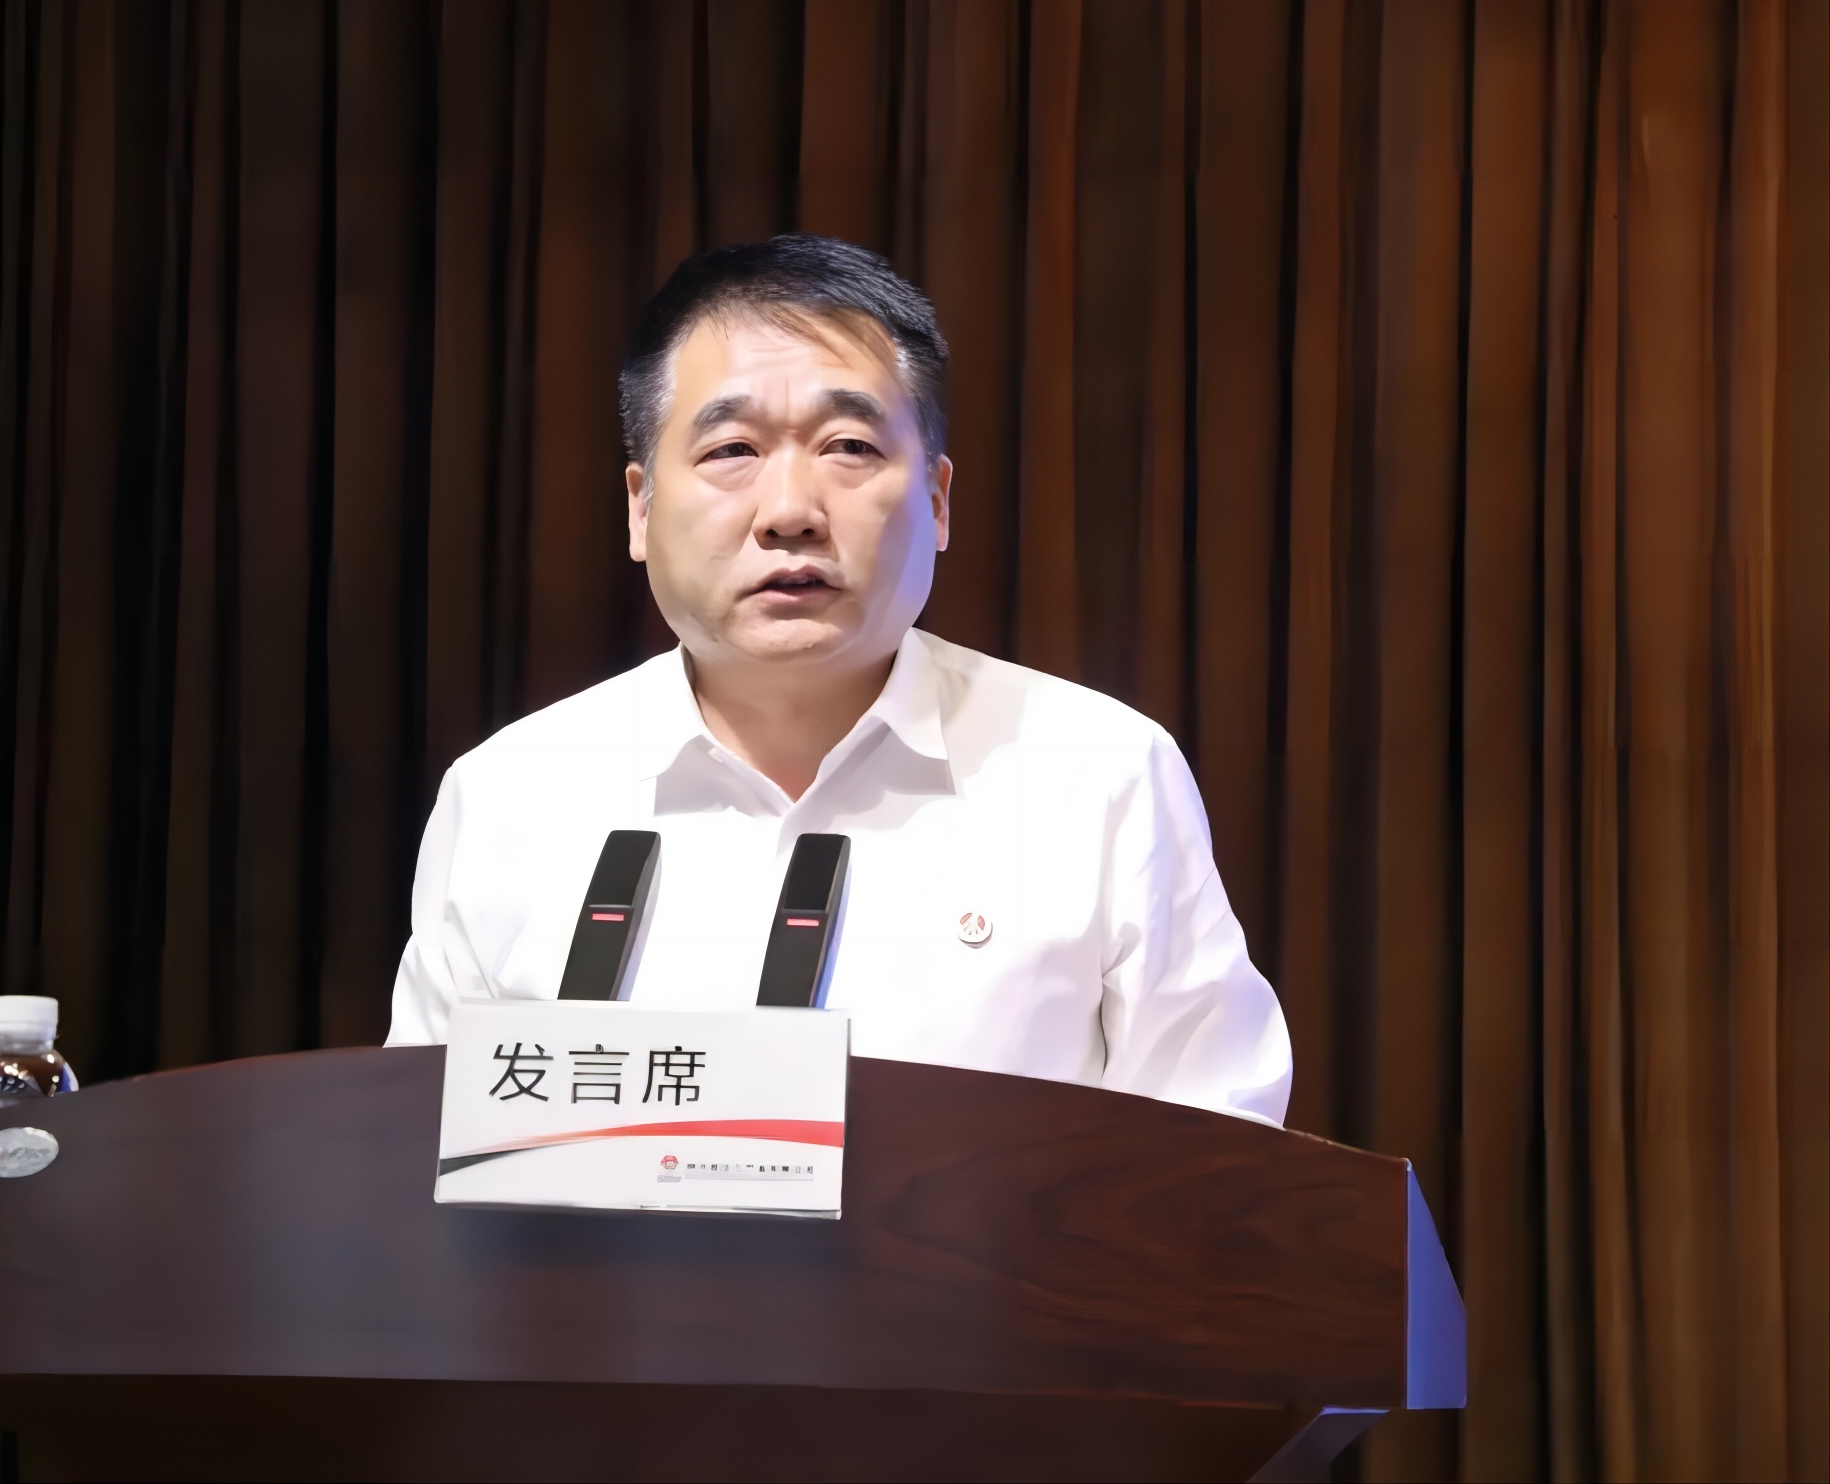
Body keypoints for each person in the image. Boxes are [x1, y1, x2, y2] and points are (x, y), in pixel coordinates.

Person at [387, 234, 1291, 1126]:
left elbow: (1218, 1147)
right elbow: (407, 1150)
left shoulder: (1096, 774)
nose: (790, 512)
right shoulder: (510, 794)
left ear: (937, 501)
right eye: (730, 449)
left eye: (850, 446)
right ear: (640, 507)